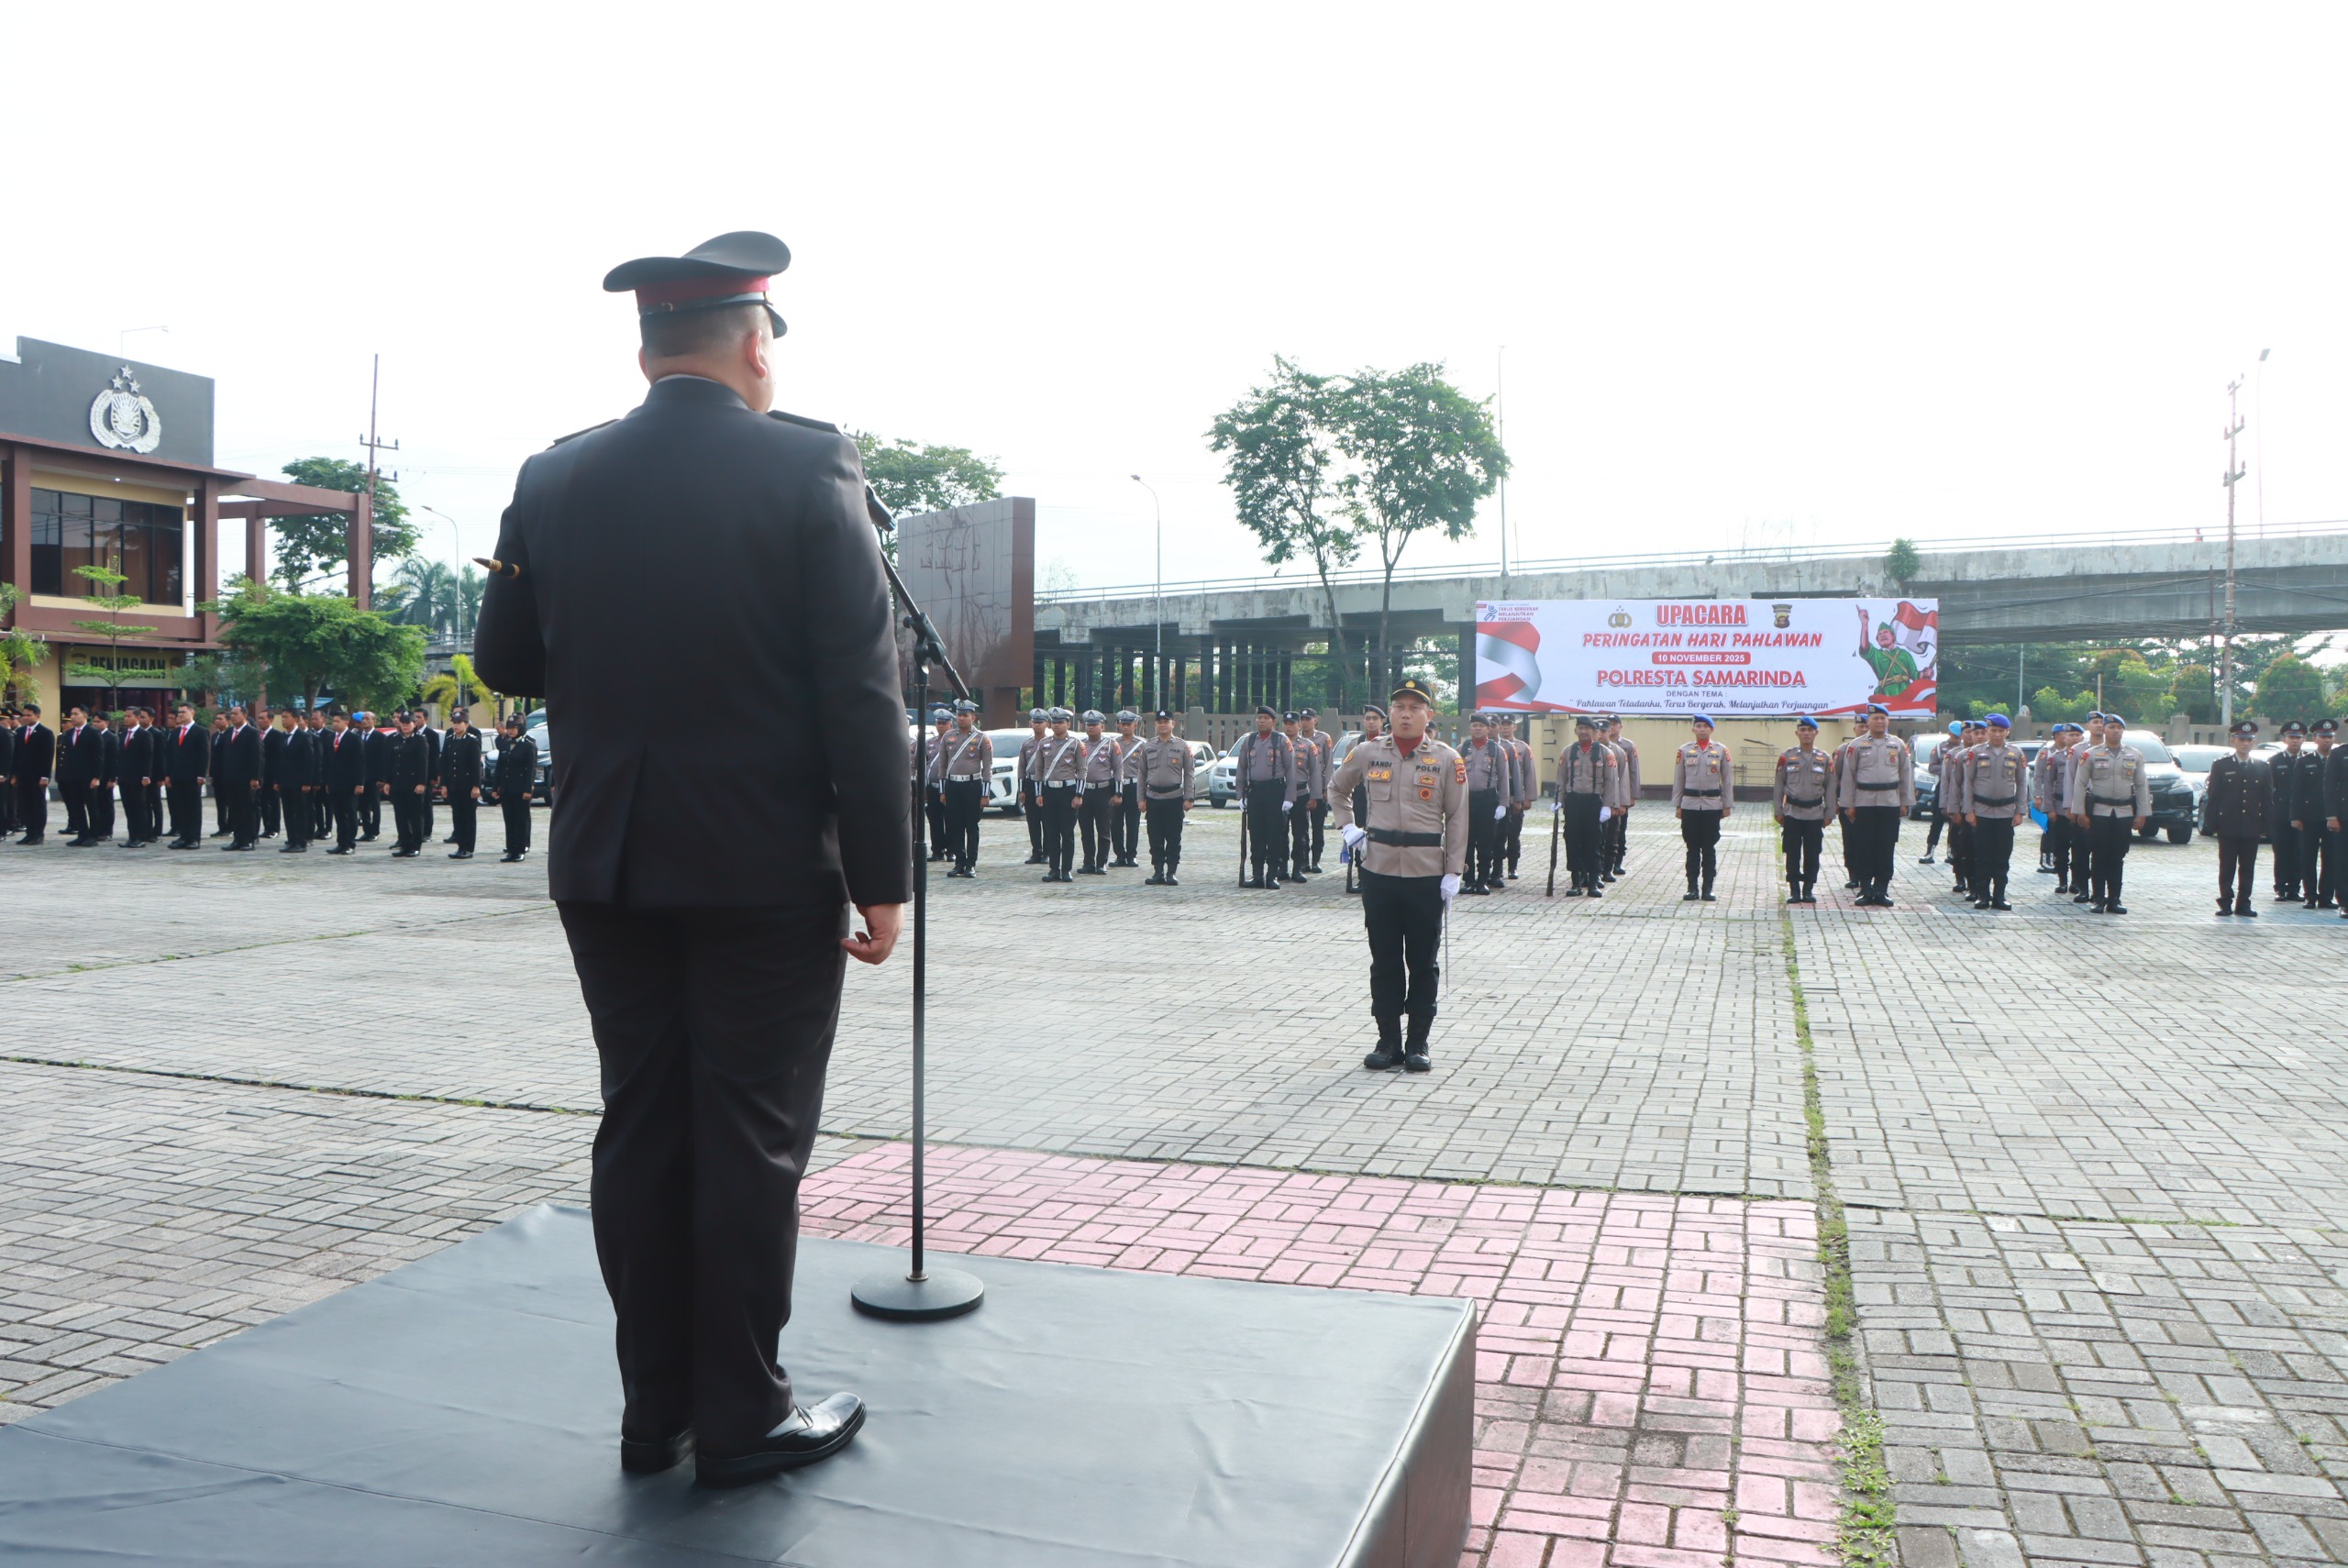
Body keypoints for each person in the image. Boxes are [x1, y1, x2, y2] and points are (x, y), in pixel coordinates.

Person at [471, 230, 904, 1485]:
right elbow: (859, 690)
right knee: (752, 1135)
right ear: (755, 342)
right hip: (765, 865)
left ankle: (650, 1410)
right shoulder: (811, 463)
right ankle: (741, 1412)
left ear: (646, 346)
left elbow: (504, 662)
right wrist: (882, 873)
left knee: (642, 1126)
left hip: (608, 859)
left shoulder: (552, 477)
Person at [1329, 679, 1466, 1074]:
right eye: (1399, 707)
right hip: (1380, 870)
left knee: (1422, 961)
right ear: (1390, 713)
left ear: (1429, 715)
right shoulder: (1369, 752)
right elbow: (1337, 789)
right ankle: (1387, 1039)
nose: (1406, 714)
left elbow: (1457, 817)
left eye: (1415, 707)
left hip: (1426, 873)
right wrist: (1347, 828)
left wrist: (1453, 870)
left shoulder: (1445, 759)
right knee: (1385, 959)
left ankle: (1418, 1041)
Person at [2066, 710, 2148, 914]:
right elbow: (2080, 783)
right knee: (2099, 854)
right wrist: (2080, 812)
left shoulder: (2134, 755)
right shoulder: (2091, 754)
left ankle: (2115, 898)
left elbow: (2141, 785)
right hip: (2100, 811)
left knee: (2118, 856)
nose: (2115, 732)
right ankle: (2098, 898)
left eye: (2119, 728)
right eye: (2111, 727)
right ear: (2104, 730)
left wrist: (2142, 813)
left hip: (2123, 811)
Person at [1835, 704, 1913, 907]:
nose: (1879, 722)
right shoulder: (1856, 745)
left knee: (1886, 846)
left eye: (1883, 718)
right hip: (1864, 802)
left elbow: (1906, 775)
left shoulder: (1897, 745)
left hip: (1890, 802)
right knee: (1864, 847)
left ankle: (1882, 890)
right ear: (1867, 721)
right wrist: (1848, 804)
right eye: (1875, 718)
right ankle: (1865, 889)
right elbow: (1848, 777)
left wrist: (1905, 802)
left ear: (1888, 721)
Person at [2201, 721, 2271, 916]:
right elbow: (2213, 797)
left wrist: (2266, 824)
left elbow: (2267, 800)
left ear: (2254, 742)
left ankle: (2244, 903)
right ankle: (2225, 902)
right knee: (2227, 866)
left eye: (2249, 739)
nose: (2245, 743)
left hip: (2251, 825)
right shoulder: (2221, 765)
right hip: (2228, 824)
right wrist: (2211, 823)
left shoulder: (2262, 767)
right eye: (2241, 739)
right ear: (2233, 740)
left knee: (2248, 867)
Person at [1959, 713, 2028, 911]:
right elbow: (1968, 782)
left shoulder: (2016, 753)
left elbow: (2022, 783)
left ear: (2007, 732)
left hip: (2006, 812)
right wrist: (1969, 810)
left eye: (2000, 731)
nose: (1997, 735)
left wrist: (2020, 811)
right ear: (1987, 731)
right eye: (1993, 731)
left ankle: (1999, 896)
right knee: (1982, 855)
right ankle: (1982, 895)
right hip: (1982, 811)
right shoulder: (1975, 752)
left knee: (2002, 856)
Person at [1231, 705, 1294, 889]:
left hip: (1275, 791)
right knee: (1256, 834)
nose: (1261, 721)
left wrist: (1289, 798)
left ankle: (1272, 874)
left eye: (1266, 718)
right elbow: (1241, 769)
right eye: (1259, 718)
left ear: (1274, 722)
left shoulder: (1281, 740)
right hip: (1255, 792)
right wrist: (1240, 794)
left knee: (1274, 834)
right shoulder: (1249, 740)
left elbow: (1291, 771)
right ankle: (1257, 874)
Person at [1671, 713, 1732, 900]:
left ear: (1712, 729)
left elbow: (1727, 780)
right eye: (1699, 726)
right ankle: (1692, 887)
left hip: (1712, 806)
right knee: (1692, 848)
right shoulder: (1684, 750)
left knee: (1709, 847)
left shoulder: (1721, 750)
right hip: (1689, 805)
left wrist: (1727, 804)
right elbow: (1679, 778)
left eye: (1706, 726)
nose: (1702, 729)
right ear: (1693, 729)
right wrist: (1678, 805)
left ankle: (1708, 888)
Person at [1554, 714, 1615, 897]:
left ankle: (1594, 881)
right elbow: (1561, 777)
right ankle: (1576, 882)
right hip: (1573, 801)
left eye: (1587, 729)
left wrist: (1608, 806)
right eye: (1580, 728)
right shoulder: (1568, 751)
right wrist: (1558, 799)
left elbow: (1611, 781)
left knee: (1594, 842)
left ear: (1595, 732)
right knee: (1573, 841)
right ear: (1575, 731)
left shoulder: (1605, 752)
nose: (1584, 732)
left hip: (1594, 801)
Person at [1773, 715, 1832, 904]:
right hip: (1792, 812)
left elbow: (1831, 787)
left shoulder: (1824, 758)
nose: (1806, 733)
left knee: (1812, 852)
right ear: (1797, 733)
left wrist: (1830, 812)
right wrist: (1778, 810)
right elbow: (1779, 786)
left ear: (1816, 733)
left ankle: (1808, 889)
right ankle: (1794, 889)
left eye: (1810, 730)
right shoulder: (1787, 756)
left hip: (1815, 813)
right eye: (1803, 730)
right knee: (1792, 852)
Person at [1135, 709, 1196, 885]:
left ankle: (1171, 872)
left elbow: (1189, 773)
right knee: (1155, 837)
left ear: (1173, 724)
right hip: (1153, 798)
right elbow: (1141, 774)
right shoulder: (1148, 746)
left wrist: (1189, 797)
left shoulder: (1182, 746)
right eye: (1159, 722)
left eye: (1166, 721)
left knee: (1173, 837)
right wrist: (1141, 799)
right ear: (1156, 724)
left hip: (1174, 798)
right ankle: (1158, 871)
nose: (1163, 725)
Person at [937, 699, 991, 878]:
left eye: (965, 715)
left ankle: (971, 863)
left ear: (973, 717)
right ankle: (959, 862)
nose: (961, 718)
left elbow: (987, 767)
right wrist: (943, 791)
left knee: (971, 825)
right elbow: (942, 766)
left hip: (972, 785)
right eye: (959, 715)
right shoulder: (948, 736)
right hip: (953, 785)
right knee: (955, 825)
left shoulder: (982, 738)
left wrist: (985, 794)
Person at [1032, 707, 1085, 882]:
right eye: (1054, 722)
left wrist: (1079, 795)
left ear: (1068, 724)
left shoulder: (1076, 744)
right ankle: (1054, 869)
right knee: (1051, 832)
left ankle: (1066, 869)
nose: (1057, 726)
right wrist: (1038, 793)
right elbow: (1038, 770)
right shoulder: (1044, 743)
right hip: (1049, 791)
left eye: (1060, 722)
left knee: (1067, 832)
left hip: (1068, 791)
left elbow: (1082, 770)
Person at [1460, 713, 1509, 894]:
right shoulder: (1462, 748)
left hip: (1488, 799)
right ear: (1470, 728)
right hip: (1466, 800)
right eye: (1475, 725)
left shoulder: (1497, 750)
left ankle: (1482, 881)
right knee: (1467, 842)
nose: (1478, 728)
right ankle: (1468, 880)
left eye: (1482, 725)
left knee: (1486, 843)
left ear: (1489, 729)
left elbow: (1504, 778)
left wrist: (1503, 804)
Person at [1072, 709, 1124, 875]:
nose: (1091, 728)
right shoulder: (1079, 744)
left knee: (1103, 829)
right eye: (1088, 725)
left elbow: (1118, 770)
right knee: (1085, 829)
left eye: (1094, 725)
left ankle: (1101, 862)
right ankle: (1088, 862)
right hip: (1084, 791)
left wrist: (1118, 793)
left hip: (1103, 791)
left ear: (1102, 725)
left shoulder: (1111, 744)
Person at [2271, 720, 2314, 902]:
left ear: (2304, 739)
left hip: (2302, 815)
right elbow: (2270, 788)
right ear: (2284, 739)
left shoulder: (2307, 761)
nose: (2295, 741)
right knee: (2281, 852)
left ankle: (2295, 889)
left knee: (2299, 852)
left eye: (2298, 737)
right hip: (2280, 813)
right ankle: (2280, 888)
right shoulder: (2275, 761)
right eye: (2291, 737)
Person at [1345, 704, 1385, 895]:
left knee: (1380, 836)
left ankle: (1380, 878)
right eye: (1368, 718)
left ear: (1382, 722)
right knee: (1360, 836)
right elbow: (1345, 772)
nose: (1371, 722)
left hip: (1382, 795)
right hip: (1360, 794)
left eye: (1375, 719)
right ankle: (1362, 877)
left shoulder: (1388, 742)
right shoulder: (1355, 743)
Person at [2033, 723, 2077, 891]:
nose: (2066, 736)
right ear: (2057, 736)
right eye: (2064, 734)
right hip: (2053, 802)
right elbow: (2039, 776)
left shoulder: (2079, 753)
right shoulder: (2048, 753)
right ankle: (2048, 862)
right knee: (2051, 834)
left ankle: (2075, 880)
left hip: (2074, 806)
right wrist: (2039, 797)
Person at [1281, 711, 1324, 878]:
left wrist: (1315, 797)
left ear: (1299, 726)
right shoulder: (1278, 743)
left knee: (1300, 833)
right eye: (1286, 723)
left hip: (1301, 794)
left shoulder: (1308, 745)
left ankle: (1298, 867)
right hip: (1281, 794)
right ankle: (1282, 867)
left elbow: (1315, 772)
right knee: (1280, 833)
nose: (1288, 726)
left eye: (1292, 723)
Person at [2303, 719, 2341, 910]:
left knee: (2331, 857)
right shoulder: (2305, 761)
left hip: (2332, 817)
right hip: (2310, 816)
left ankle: (2326, 896)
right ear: (2315, 738)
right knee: (2308, 857)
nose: (2327, 740)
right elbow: (2297, 792)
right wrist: (2295, 816)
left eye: (2330, 736)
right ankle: (2310, 895)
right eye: (2323, 736)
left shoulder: (2338, 757)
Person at [216, 706, 263, 850]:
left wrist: (255, 777)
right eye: (231, 714)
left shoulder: (252, 733)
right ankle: (238, 839)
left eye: (236, 714)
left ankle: (249, 839)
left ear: (244, 715)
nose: (232, 716)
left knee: (247, 809)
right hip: (230, 778)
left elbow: (257, 757)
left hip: (246, 779)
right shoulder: (228, 732)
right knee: (234, 809)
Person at [164, 703, 210, 848]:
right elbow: (170, 755)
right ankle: (183, 836)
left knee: (193, 807)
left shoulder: (200, 731)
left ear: (192, 713)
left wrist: (201, 774)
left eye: (183, 712)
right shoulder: (176, 732)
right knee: (180, 807)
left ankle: (194, 838)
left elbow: (204, 754)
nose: (180, 715)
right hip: (177, 776)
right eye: (179, 713)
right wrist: (168, 774)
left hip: (192, 776)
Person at [441, 708, 483, 858]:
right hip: (454, 785)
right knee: (457, 816)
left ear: (466, 724)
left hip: (467, 785)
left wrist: (476, 785)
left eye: (459, 723)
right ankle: (460, 846)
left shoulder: (472, 741)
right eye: (454, 723)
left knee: (468, 817)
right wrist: (444, 785)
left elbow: (475, 766)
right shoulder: (450, 740)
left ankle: (468, 848)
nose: (456, 726)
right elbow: (445, 764)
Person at [496, 714, 540, 861]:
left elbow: (531, 769)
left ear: (521, 728)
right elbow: (500, 767)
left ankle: (520, 849)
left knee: (521, 819)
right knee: (509, 819)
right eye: (509, 728)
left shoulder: (528, 745)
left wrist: (528, 789)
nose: (511, 731)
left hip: (520, 789)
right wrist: (496, 787)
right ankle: (511, 848)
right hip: (507, 789)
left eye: (514, 728)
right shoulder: (505, 744)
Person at [324, 710, 368, 854]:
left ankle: (350, 843)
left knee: (350, 814)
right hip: (335, 783)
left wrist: (360, 783)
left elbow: (360, 763)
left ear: (346, 722)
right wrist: (327, 782)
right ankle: (341, 842)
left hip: (350, 783)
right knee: (339, 814)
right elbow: (327, 762)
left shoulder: (353, 738)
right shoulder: (330, 738)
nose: (334, 724)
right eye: (333, 721)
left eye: (337, 721)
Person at [389, 712, 431, 856]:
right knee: (400, 816)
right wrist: (388, 781)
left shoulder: (420, 740)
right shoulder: (394, 739)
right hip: (397, 783)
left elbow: (423, 763)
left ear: (415, 724)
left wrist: (421, 783)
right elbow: (390, 763)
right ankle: (404, 844)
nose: (405, 726)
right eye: (403, 723)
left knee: (415, 816)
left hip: (413, 784)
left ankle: (415, 846)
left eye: (409, 723)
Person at [1300, 708, 1337, 872]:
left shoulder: (1324, 738)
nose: (1304, 722)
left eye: (1308, 719)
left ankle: (1316, 860)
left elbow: (1329, 764)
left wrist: (1328, 788)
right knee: (1301, 827)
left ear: (1315, 720)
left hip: (1319, 787)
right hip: (1300, 788)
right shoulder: (1295, 738)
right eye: (1302, 719)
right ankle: (1303, 861)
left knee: (1317, 826)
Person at [1600, 716, 1637, 880]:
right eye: (1609, 725)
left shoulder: (1626, 746)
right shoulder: (1596, 746)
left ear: (1620, 726)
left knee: (1619, 830)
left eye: (1614, 724)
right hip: (1600, 796)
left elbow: (1632, 773)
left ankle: (1617, 862)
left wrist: (1631, 796)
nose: (1612, 727)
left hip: (1619, 795)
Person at [1855, 606, 1920, 698]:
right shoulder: (1876, 655)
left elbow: (1915, 675)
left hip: (1906, 693)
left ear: (1893, 636)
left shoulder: (1905, 654)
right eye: (1879, 634)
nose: (1882, 635)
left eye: (1885, 632)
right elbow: (1865, 647)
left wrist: (1924, 674)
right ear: (1877, 640)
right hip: (1886, 695)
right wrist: (1865, 624)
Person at [1920, 720, 1959, 865]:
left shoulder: (1966, 748)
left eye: (1959, 737)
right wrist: (1948, 771)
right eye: (1955, 737)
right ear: (1949, 734)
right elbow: (1932, 767)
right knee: (1937, 820)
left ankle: (1951, 852)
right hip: (1943, 786)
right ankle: (1929, 852)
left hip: (1959, 788)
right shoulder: (1940, 747)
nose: (1958, 740)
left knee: (1955, 823)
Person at [11, 704, 51, 845]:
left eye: (29, 715)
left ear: (37, 716)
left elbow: (47, 757)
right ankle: (29, 833)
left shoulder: (45, 732)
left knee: (37, 805)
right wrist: (14, 774)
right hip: (23, 775)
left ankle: (38, 834)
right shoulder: (20, 732)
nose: (26, 718)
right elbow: (16, 755)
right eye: (24, 715)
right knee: (24, 805)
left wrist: (45, 776)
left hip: (38, 776)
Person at [56, 705, 95, 844]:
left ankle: (93, 836)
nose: (72, 717)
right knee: (77, 806)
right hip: (72, 777)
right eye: (71, 714)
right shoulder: (69, 734)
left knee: (91, 806)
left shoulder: (92, 732)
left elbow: (98, 757)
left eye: (75, 714)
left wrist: (96, 777)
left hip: (88, 777)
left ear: (85, 715)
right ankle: (82, 834)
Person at [275, 712, 314, 853]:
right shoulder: (282, 736)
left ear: (296, 719)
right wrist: (277, 780)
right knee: (288, 812)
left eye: (286, 717)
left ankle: (301, 842)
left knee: (300, 812)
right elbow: (279, 760)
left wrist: (307, 782)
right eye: (282, 717)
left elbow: (309, 761)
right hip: (285, 782)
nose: (283, 720)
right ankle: (291, 840)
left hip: (299, 782)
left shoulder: (304, 736)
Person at [1110, 708, 1143, 868]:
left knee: (1133, 823)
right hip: (1117, 786)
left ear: (1134, 725)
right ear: (1118, 725)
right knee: (1115, 823)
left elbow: (1146, 769)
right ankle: (1119, 855)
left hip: (1134, 786)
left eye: (1128, 724)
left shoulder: (1142, 745)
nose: (1125, 727)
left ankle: (1131, 855)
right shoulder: (1113, 743)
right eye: (1122, 724)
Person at [116, 707, 152, 847]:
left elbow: (147, 756)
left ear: (137, 717)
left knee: (139, 808)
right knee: (129, 808)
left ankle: (141, 837)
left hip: (138, 777)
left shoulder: (144, 735)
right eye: (125, 716)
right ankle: (132, 836)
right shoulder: (124, 733)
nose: (126, 718)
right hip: (125, 777)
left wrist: (145, 775)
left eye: (129, 716)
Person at [1016, 707, 1049, 865]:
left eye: (1040, 722)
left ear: (1047, 724)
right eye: (1035, 722)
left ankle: (1048, 852)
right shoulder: (1027, 744)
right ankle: (1036, 851)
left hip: (1045, 784)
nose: (1037, 725)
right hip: (1030, 784)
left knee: (1047, 820)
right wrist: (1021, 789)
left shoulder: (1050, 743)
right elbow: (1021, 767)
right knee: (1033, 820)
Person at [920, 706, 953, 863]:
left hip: (949, 787)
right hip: (932, 788)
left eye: (944, 723)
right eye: (939, 723)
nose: (940, 726)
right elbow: (924, 764)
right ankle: (937, 850)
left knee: (951, 819)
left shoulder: (955, 742)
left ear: (950, 725)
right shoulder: (929, 743)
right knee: (935, 819)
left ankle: (951, 850)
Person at [208, 711, 233, 837]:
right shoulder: (215, 736)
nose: (217, 721)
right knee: (220, 803)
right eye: (216, 719)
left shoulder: (231, 735)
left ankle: (230, 827)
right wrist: (211, 774)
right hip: (217, 775)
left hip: (228, 774)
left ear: (228, 721)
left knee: (231, 802)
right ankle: (222, 827)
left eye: (220, 719)